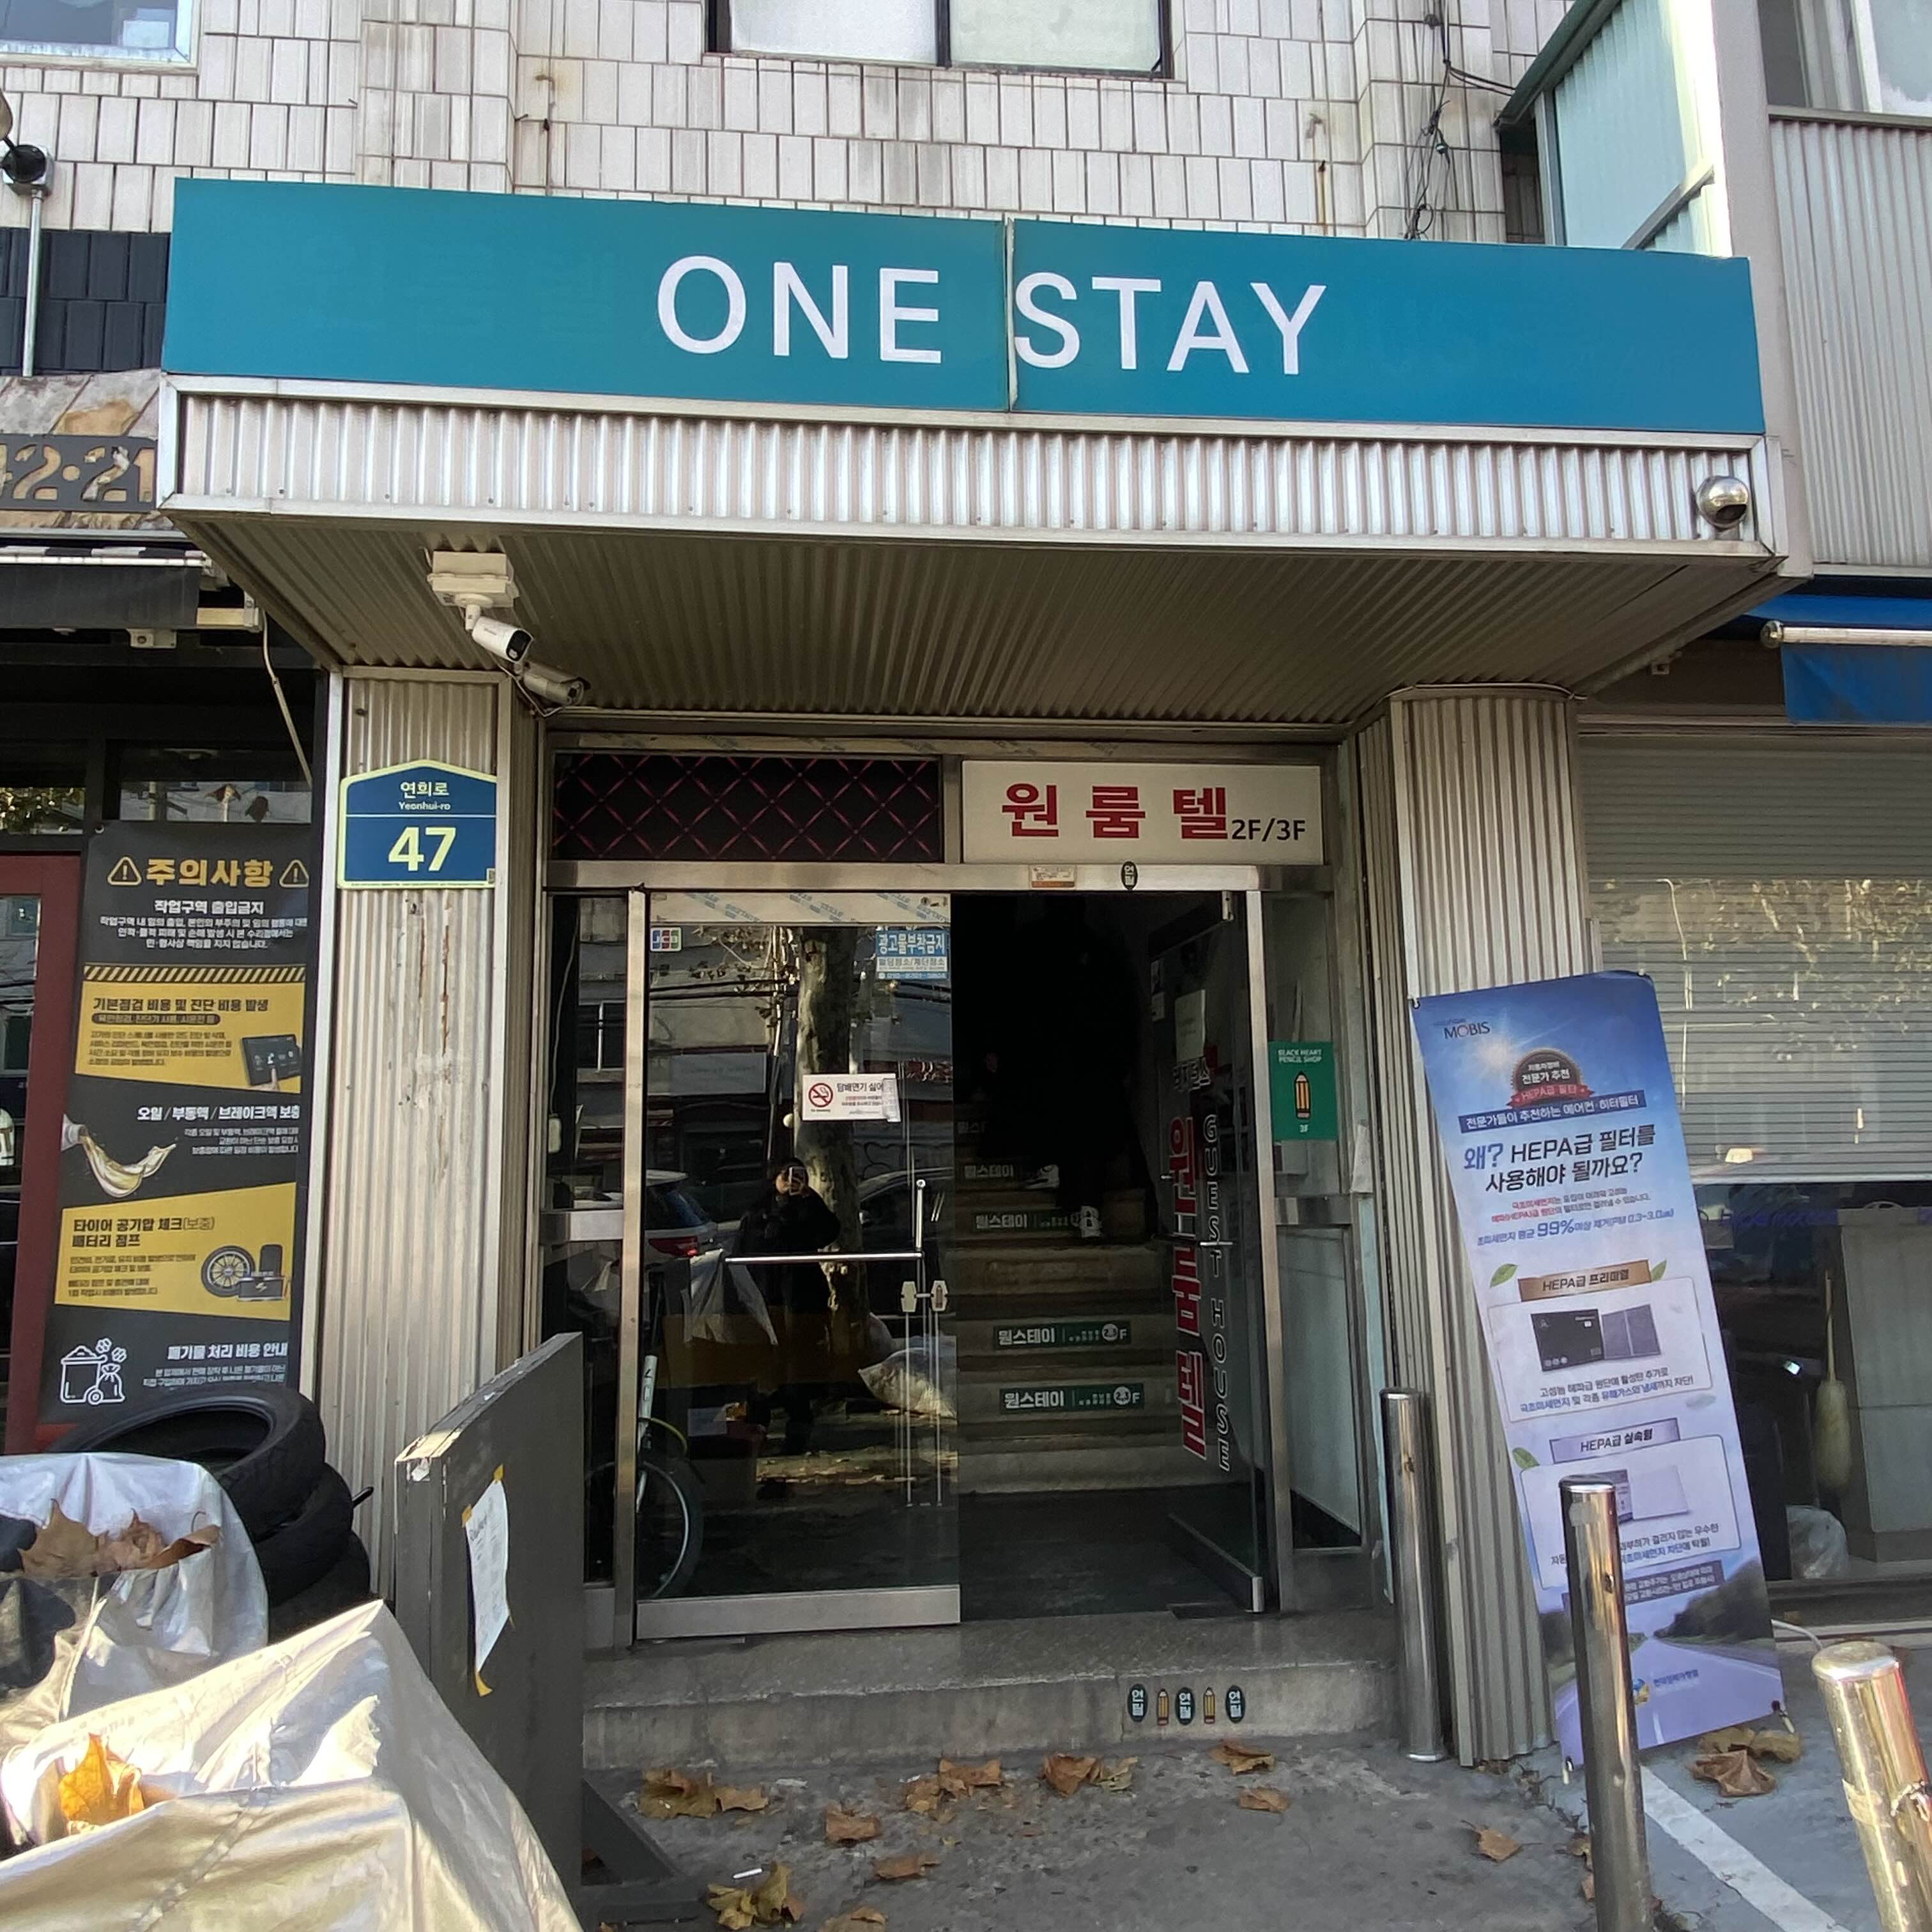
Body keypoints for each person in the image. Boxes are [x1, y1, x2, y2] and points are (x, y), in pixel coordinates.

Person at [735, 1158, 841, 1455]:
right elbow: (746, 1248)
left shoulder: (808, 1206)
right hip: (765, 1295)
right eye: (787, 1175)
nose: (792, 1180)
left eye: (799, 1175)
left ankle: (798, 1431)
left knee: (798, 1364)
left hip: (800, 1295)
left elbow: (828, 1231)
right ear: (775, 1178)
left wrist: (809, 1200)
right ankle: (758, 1430)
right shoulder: (759, 1209)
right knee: (763, 1364)